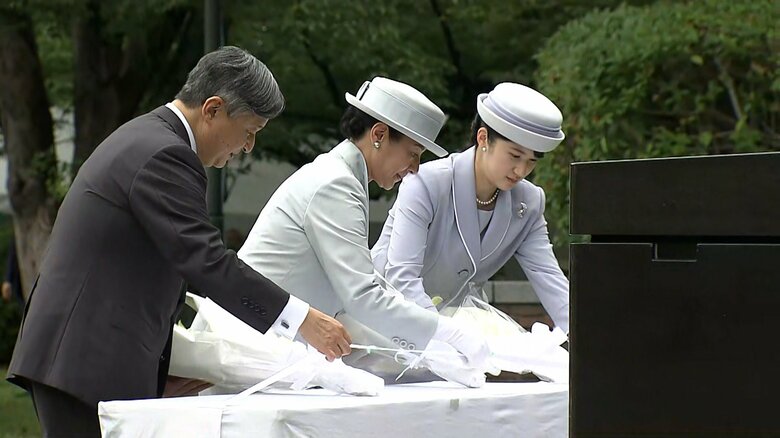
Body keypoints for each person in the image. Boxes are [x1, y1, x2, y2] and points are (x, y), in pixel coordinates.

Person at [6, 46, 351, 437]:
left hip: (87, 359)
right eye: (250, 132)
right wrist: (302, 319)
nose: (248, 147)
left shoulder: (150, 139)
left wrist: (156, 371)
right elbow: (206, 260)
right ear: (213, 109)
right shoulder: (165, 154)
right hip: (84, 362)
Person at [238, 77, 490, 385]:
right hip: (249, 346)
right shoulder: (336, 184)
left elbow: (355, 300)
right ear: (379, 134)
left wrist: (424, 352)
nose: (415, 168)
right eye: (413, 153)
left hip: (267, 344)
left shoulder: (340, 177)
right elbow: (362, 296)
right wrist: (443, 334)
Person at [371, 82, 569, 334]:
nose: (521, 171)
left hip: (462, 326)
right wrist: (450, 338)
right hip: (383, 321)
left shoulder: (528, 202)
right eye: (514, 156)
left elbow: (550, 279)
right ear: (483, 137)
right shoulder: (426, 183)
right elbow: (401, 278)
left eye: (531, 161)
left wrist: (589, 337)